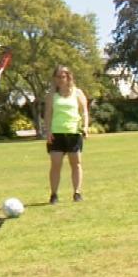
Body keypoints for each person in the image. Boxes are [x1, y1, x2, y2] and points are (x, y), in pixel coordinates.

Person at [42, 65, 91, 204]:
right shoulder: (52, 94)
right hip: (56, 133)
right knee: (56, 164)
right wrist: (48, 131)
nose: (59, 79)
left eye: (62, 76)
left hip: (73, 133)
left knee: (76, 163)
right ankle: (54, 195)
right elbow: (48, 113)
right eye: (56, 76)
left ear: (68, 77)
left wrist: (85, 127)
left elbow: (84, 111)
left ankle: (77, 193)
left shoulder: (77, 93)